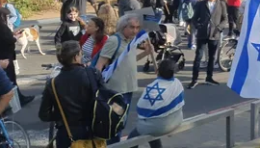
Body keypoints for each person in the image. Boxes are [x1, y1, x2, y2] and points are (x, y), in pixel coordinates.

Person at [96, 14, 154, 143]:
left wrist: (146, 52)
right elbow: (100, 65)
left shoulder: (132, 41)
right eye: (132, 27)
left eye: (137, 27)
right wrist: (99, 87)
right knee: (115, 123)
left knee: (121, 122)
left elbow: (129, 60)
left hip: (128, 89)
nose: (135, 30)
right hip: (115, 91)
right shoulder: (114, 41)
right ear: (123, 27)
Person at [39, 41, 104, 148]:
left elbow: (44, 115)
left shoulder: (53, 83)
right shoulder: (92, 74)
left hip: (66, 134)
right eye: (81, 54)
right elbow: (103, 101)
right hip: (91, 131)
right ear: (75, 57)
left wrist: (61, 115)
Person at [127, 59, 185, 148]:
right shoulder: (177, 83)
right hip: (173, 122)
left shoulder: (150, 87)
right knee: (154, 125)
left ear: (157, 71)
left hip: (153, 126)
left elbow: (140, 109)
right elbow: (179, 104)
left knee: (133, 137)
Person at [189, 0, 228, 88]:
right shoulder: (201, 4)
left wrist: (219, 28)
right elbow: (194, 18)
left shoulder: (221, 4)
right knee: (198, 56)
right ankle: (194, 79)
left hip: (214, 34)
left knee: (212, 57)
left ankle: (209, 77)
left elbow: (225, 19)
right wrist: (198, 25)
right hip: (202, 33)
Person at [0, 8, 32, 105]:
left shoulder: (3, 27)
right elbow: (9, 40)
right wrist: (16, 37)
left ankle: (18, 98)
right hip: (6, 56)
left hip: (4, 55)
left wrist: (13, 34)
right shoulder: (2, 27)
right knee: (10, 79)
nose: (8, 18)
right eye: (7, 16)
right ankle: (17, 100)